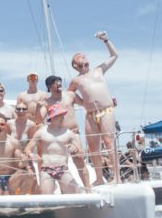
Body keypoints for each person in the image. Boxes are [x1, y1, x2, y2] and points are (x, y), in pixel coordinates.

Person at [67, 31, 119, 184]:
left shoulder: (98, 70)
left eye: (83, 55)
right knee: (92, 146)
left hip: (106, 110)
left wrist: (106, 40)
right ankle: (98, 178)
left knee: (109, 141)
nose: (82, 55)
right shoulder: (76, 80)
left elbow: (114, 55)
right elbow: (69, 95)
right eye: (78, 56)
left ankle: (116, 176)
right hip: (90, 113)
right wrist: (83, 103)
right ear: (75, 65)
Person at [44, 75, 90, 189]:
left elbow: (85, 104)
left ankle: (88, 188)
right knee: (57, 164)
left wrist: (107, 103)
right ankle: (61, 190)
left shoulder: (70, 95)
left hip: (73, 133)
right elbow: (38, 119)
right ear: (49, 86)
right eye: (55, 82)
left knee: (79, 160)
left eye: (59, 81)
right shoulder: (46, 102)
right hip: (57, 136)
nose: (59, 83)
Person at [27, 104, 83, 194]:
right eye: (58, 116)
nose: (62, 118)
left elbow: (81, 154)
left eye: (62, 116)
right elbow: (28, 149)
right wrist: (32, 155)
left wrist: (75, 149)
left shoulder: (69, 133)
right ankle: (51, 187)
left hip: (63, 169)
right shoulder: (41, 132)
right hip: (46, 169)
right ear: (52, 118)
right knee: (46, 198)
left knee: (76, 196)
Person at [0, 113, 34, 195]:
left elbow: (19, 164)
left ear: (6, 126)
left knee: (28, 174)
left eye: (2, 124)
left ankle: (21, 200)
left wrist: (24, 162)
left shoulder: (14, 142)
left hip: (12, 179)